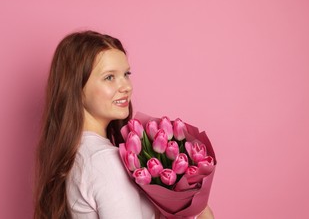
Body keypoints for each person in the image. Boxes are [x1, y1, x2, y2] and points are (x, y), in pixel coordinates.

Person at [34, 31, 214, 219]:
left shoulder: (78, 153)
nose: (126, 86)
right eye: (109, 77)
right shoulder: (105, 161)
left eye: (126, 74)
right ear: (76, 88)